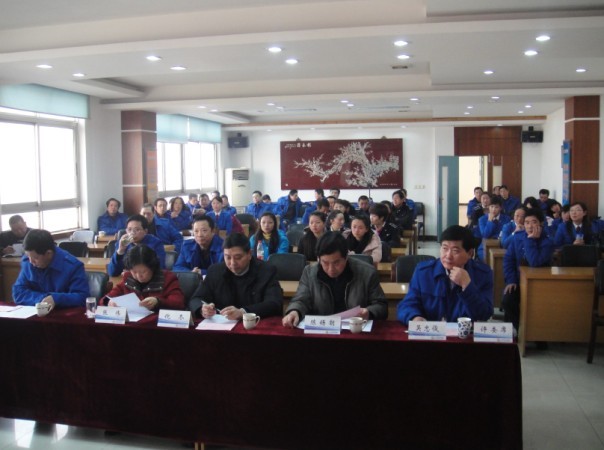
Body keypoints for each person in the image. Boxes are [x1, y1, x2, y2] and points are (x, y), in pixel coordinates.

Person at [282, 232, 387, 327]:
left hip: (355, 331)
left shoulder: (367, 273)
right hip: (321, 332)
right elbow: (301, 300)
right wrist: (295, 311)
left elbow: (381, 306)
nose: (331, 269)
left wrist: (369, 312)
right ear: (318, 259)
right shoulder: (309, 273)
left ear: (346, 257)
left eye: (336, 263)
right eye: (325, 263)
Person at [397, 225, 493, 324]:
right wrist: (415, 317)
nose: (448, 256)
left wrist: (467, 286)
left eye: (455, 251)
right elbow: (407, 305)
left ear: (470, 254)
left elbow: (484, 314)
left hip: (465, 333)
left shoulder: (482, 274)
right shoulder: (423, 272)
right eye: (444, 248)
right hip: (431, 332)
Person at [189, 232, 283, 319]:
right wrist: (202, 309)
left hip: (255, 326)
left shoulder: (266, 271)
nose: (233, 263)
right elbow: (196, 299)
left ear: (249, 254)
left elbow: (274, 303)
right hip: (223, 326)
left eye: (238, 257)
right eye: (228, 257)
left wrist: (243, 312)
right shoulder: (215, 271)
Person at [502, 209, 554, 329]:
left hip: (539, 284)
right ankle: (518, 329)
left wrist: (530, 240)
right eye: (527, 222)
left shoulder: (547, 241)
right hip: (518, 281)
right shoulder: (517, 238)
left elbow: (534, 262)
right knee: (508, 300)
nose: (530, 226)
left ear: (541, 224)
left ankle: (533, 332)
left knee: (537, 307)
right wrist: (511, 280)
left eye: (534, 222)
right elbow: (508, 260)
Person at [13, 229, 88, 308]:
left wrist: (56, 299)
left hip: (62, 313)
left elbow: (82, 297)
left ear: (49, 253)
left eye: (35, 258)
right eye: (28, 256)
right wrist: (43, 298)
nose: (31, 261)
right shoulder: (27, 262)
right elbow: (18, 293)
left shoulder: (72, 266)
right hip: (34, 311)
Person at [102, 245, 185, 311]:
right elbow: (105, 299)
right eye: (134, 272)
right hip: (132, 322)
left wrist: (158, 301)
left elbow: (179, 303)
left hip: (156, 323)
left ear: (152, 267)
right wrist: (108, 302)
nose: (138, 276)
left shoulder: (168, 278)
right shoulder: (128, 277)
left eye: (143, 272)